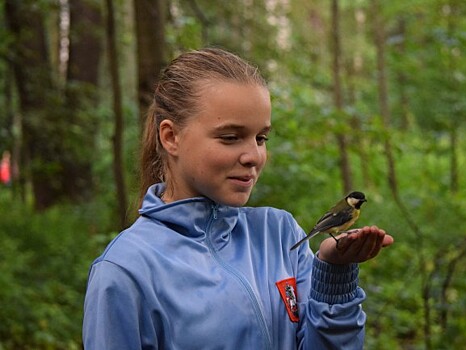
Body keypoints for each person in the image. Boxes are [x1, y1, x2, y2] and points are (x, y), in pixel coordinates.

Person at [82, 48, 394, 349]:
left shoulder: (280, 235)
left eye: (261, 138)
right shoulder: (126, 270)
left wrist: (334, 276)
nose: (253, 156)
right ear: (171, 137)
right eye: (230, 137)